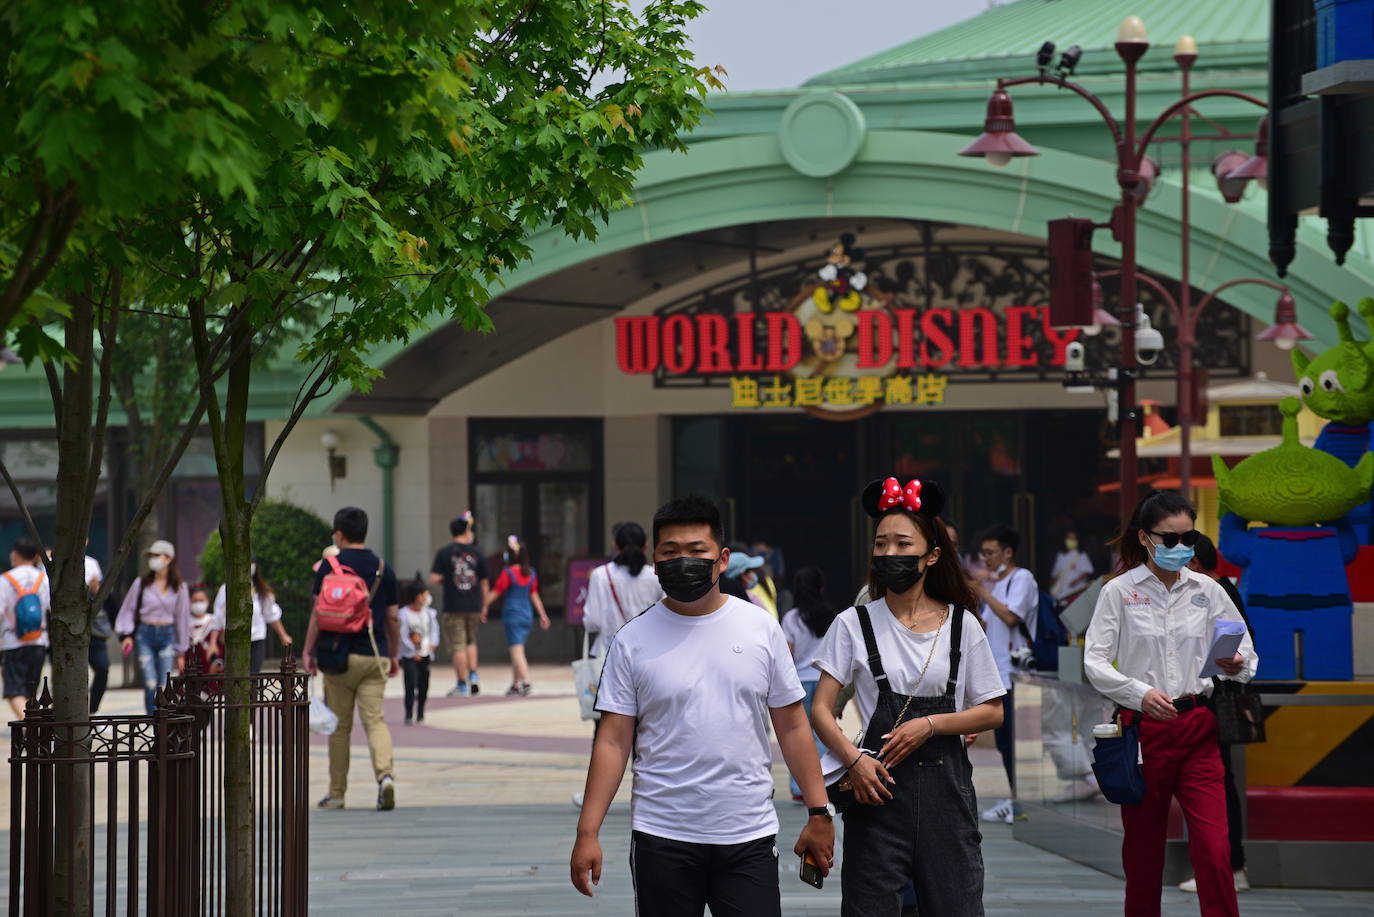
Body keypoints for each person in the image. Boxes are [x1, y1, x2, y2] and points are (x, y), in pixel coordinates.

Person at [569, 496, 834, 916]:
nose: (683, 562)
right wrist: (588, 832)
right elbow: (614, 741)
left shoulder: (760, 628)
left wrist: (819, 811)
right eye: (670, 552)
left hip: (748, 833)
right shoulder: (632, 640)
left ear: (722, 559)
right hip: (662, 835)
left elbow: (793, 727)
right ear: (654, 560)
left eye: (697, 552)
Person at [811, 477, 1005, 917]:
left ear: (932, 555)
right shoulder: (853, 623)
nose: (889, 555)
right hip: (875, 794)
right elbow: (821, 709)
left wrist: (931, 724)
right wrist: (854, 760)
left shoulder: (962, 624)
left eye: (902, 544)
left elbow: (992, 711)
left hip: (948, 799)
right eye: (881, 545)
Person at [1085, 491, 1256, 917]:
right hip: (1143, 730)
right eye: (1170, 539)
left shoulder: (1209, 590)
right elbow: (1094, 661)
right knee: (1143, 855)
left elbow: (1245, 656)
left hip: (1199, 724)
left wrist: (1234, 664)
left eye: (1190, 538)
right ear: (1145, 538)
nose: (1182, 549)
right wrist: (1137, 693)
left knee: (1216, 851)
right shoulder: (1118, 592)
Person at [302, 506, 401, 812]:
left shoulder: (328, 568)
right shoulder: (383, 568)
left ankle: (337, 793)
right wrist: (393, 654)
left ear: (340, 534)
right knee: (375, 720)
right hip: (374, 653)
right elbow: (393, 618)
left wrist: (307, 652)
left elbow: (317, 615)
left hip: (337, 657)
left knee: (340, 727)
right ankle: (385, 776)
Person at [1178, 533, 1252, 895]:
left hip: (1214, 704)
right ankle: (1224, 865)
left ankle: (1232, 865)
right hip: (1206, 705)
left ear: (1194, 562)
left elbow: (1234, 649)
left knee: (1218, 786)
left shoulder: (1217, 593)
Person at [973, 523, 1038, 824]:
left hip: (1015, 673)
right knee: (1003, 741)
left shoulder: (1021, 578)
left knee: (1013, 741)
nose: (985, 559)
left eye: (991, 553)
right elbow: (988, 625)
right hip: (999, 674)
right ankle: (1014, 800)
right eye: (983, 554)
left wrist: (985, 593)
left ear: (1007, 552)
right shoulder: (998, 584)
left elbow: (1012, 616)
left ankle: (1019, 802)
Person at [115, 539, 190, 715]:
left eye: (157, 555)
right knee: (149, 681)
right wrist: (126, 635)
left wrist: (182, 650)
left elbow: (182, 619)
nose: (153, 559)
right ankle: (151, 719)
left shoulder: (179, 587)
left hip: (167, 634)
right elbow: (128, 609)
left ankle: (161, 720)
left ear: (168, 558)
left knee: (164, 682)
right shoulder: (141, 583)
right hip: (144, 633)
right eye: (152, 556)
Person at [780, 565, 836, 801]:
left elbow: (788, 654)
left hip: (799, 681)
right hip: (824, 680)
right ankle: (825, 781)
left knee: (799, 735)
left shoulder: (791, 618)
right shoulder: (831, 615)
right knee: (822, 734)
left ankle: (798, 788)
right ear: (821, 588)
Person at [430, 512, 489, 697]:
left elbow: (434, 578)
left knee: (457, 645)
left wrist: (447, 580)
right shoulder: (478, 552)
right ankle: (473, 676)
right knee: (471, 641)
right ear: (466, 530)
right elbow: (485, 582)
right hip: (474, 604)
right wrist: (484, 604)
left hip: (454, 605)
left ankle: (461, 683)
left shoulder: (445, 553)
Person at [483, 535, 549, 696]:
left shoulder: (508, 573)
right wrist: (543, 615)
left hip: (512, 616)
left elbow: (496, 591)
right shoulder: (531, 573)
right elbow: (534, 595)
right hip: (526, 615)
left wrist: (483, 605)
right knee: (518, 649)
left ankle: (526, 681)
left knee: (517, 651)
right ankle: (515, 683)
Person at [583, 521, 661, 657]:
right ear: (646, 547)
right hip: (648, 651)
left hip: (609, 652)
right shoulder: (656, 576)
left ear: (615, 546)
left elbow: (592, 621)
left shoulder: (600, 575)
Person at [211, 559, 292, 673]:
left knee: (253, 675)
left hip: (256, 638)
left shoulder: (261, 591)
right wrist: (213, 642)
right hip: (233, 639)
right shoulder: (225, 589)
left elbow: (271, 615)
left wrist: (283, 635)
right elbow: (218, 617)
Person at [1, 536, 50, 719]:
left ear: (15, 554)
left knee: (14, 691)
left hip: (12, 642)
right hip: (39, 641)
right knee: (31, 692)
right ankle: (32, 731)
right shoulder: (44, 579)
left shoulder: (6, 580)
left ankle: (30, 731)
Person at [398, 577, 440, 725]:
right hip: (410, 654)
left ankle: (421, 710)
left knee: (424, 683)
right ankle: (409, 712)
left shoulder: (429, 613)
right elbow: (403, 635)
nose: (426, 597)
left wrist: (432, 644)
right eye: (423, 594)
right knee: (410, 683)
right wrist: (412, 650)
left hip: (425, 653)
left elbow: (433, 631)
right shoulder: (403, 614)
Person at [84, 548, 113, 713]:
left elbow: (106, 599)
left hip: (95, 633)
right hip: (66, 630)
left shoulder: (92, 563)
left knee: (102, 668)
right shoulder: (56, 561)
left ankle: (93, 712)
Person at [1050, 530, 1097, 604]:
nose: (1071, 541)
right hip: (1062, 592)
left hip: (1076, 591)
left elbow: (1086, 572)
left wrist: (1075, 582)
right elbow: (1055, 574)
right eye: (1069, 538)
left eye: (1073, 539)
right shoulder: (1060, 555)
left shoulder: (1081, 555)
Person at [187, 585, 224, 674]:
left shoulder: (214, 622)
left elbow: (221, 646)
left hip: (210, 667)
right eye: (195, 601)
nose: (198, 604)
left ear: (207, 601)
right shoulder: (185, 623)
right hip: (190, 666)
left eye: (201, 600)